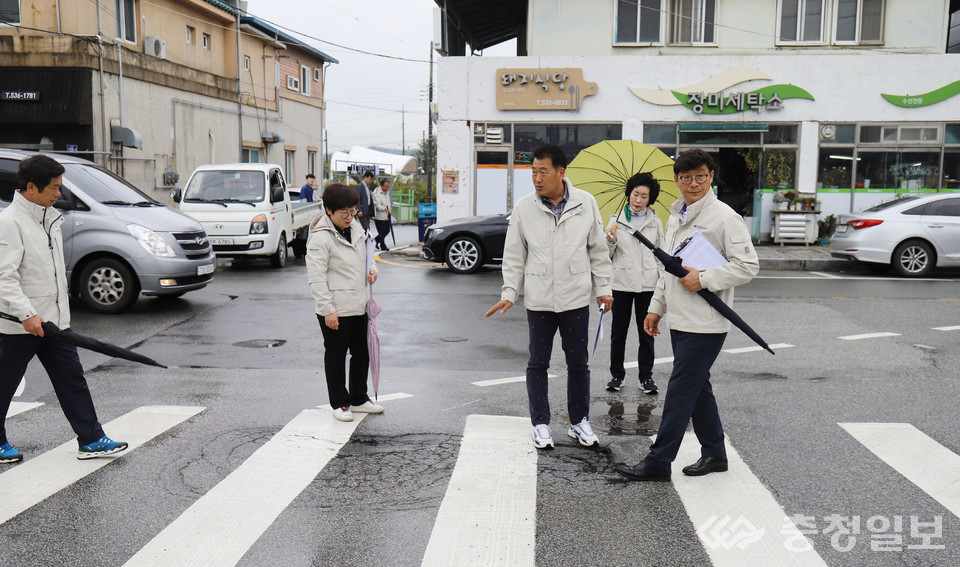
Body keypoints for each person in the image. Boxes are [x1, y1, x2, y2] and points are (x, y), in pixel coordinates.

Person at [614, 149, 759, 482]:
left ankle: (657, 462)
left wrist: (705, 279)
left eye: (701, 176)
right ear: (677, 180)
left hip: (706, 323)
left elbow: (748, 265)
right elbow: (671, 270)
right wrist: (656, 308)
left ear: (711, 176)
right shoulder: (675, 215)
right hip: (680, 320)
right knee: (698, 389)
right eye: (686, 177)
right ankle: (715, 454)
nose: (693, 183)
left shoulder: (724, 217)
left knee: (680, 392)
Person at [0, 155, 129, 463]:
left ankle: (92, 439)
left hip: (55, 322)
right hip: (22, 325)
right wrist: (26, 315)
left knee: (72, 380)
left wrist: (58, 316)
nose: (59, 193)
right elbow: (4, 276)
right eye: (54, 188)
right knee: (3, 385)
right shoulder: (10, 223)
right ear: (32, 187)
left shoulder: (49, 218)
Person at [485, 144, 613, 450]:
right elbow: (514, 255)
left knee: (578, 363)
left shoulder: (586, 203)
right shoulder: (524, 207)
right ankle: (540, 424)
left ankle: (579, 421)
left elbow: (597, 249)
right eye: (533, 171)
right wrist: (509, 292)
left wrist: (605, 289)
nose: (537, 178)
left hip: (576, 299)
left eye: (543, 171)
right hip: (539, 300)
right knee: (537, 363)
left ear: (561, 172)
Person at [306, 183, 383, 422]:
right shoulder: (321, 238)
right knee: (337, 355)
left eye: (353, 211)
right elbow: (316, 278)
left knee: (362, 354)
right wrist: (328, 310)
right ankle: (340, 402)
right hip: (336, 308)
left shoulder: (357, 227)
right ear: (328, 210)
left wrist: (372, 269)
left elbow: (368, 256)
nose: (350, 217)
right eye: (344, 213)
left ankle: (359, 398)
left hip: (359, 304)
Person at [605, 172, 664, 395]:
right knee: (618, 333)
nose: (638, 200)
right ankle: (616, 376)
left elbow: (661, 254)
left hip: (648, 285)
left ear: (650, 199)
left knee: (647, 333)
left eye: (644, 196)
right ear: (629, 193)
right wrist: (609, 240)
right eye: (635, 194)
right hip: (620, 284)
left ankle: (646, 377)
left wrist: (663, 278)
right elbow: (607, 255)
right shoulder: (615, 221)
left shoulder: (655, 222)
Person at [372, 179, 392, 251]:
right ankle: (383, 245)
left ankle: (375, 241)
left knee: (387, 230)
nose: (387, 188)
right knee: (382, 231)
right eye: (385, 186)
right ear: (381, 186)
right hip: (379, 216)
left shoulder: (387, 192)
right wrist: (385, 209)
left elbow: (388, 203)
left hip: (386, 215)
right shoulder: (376, 193)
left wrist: (389, 210)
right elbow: (377, 206)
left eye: (388, 187)